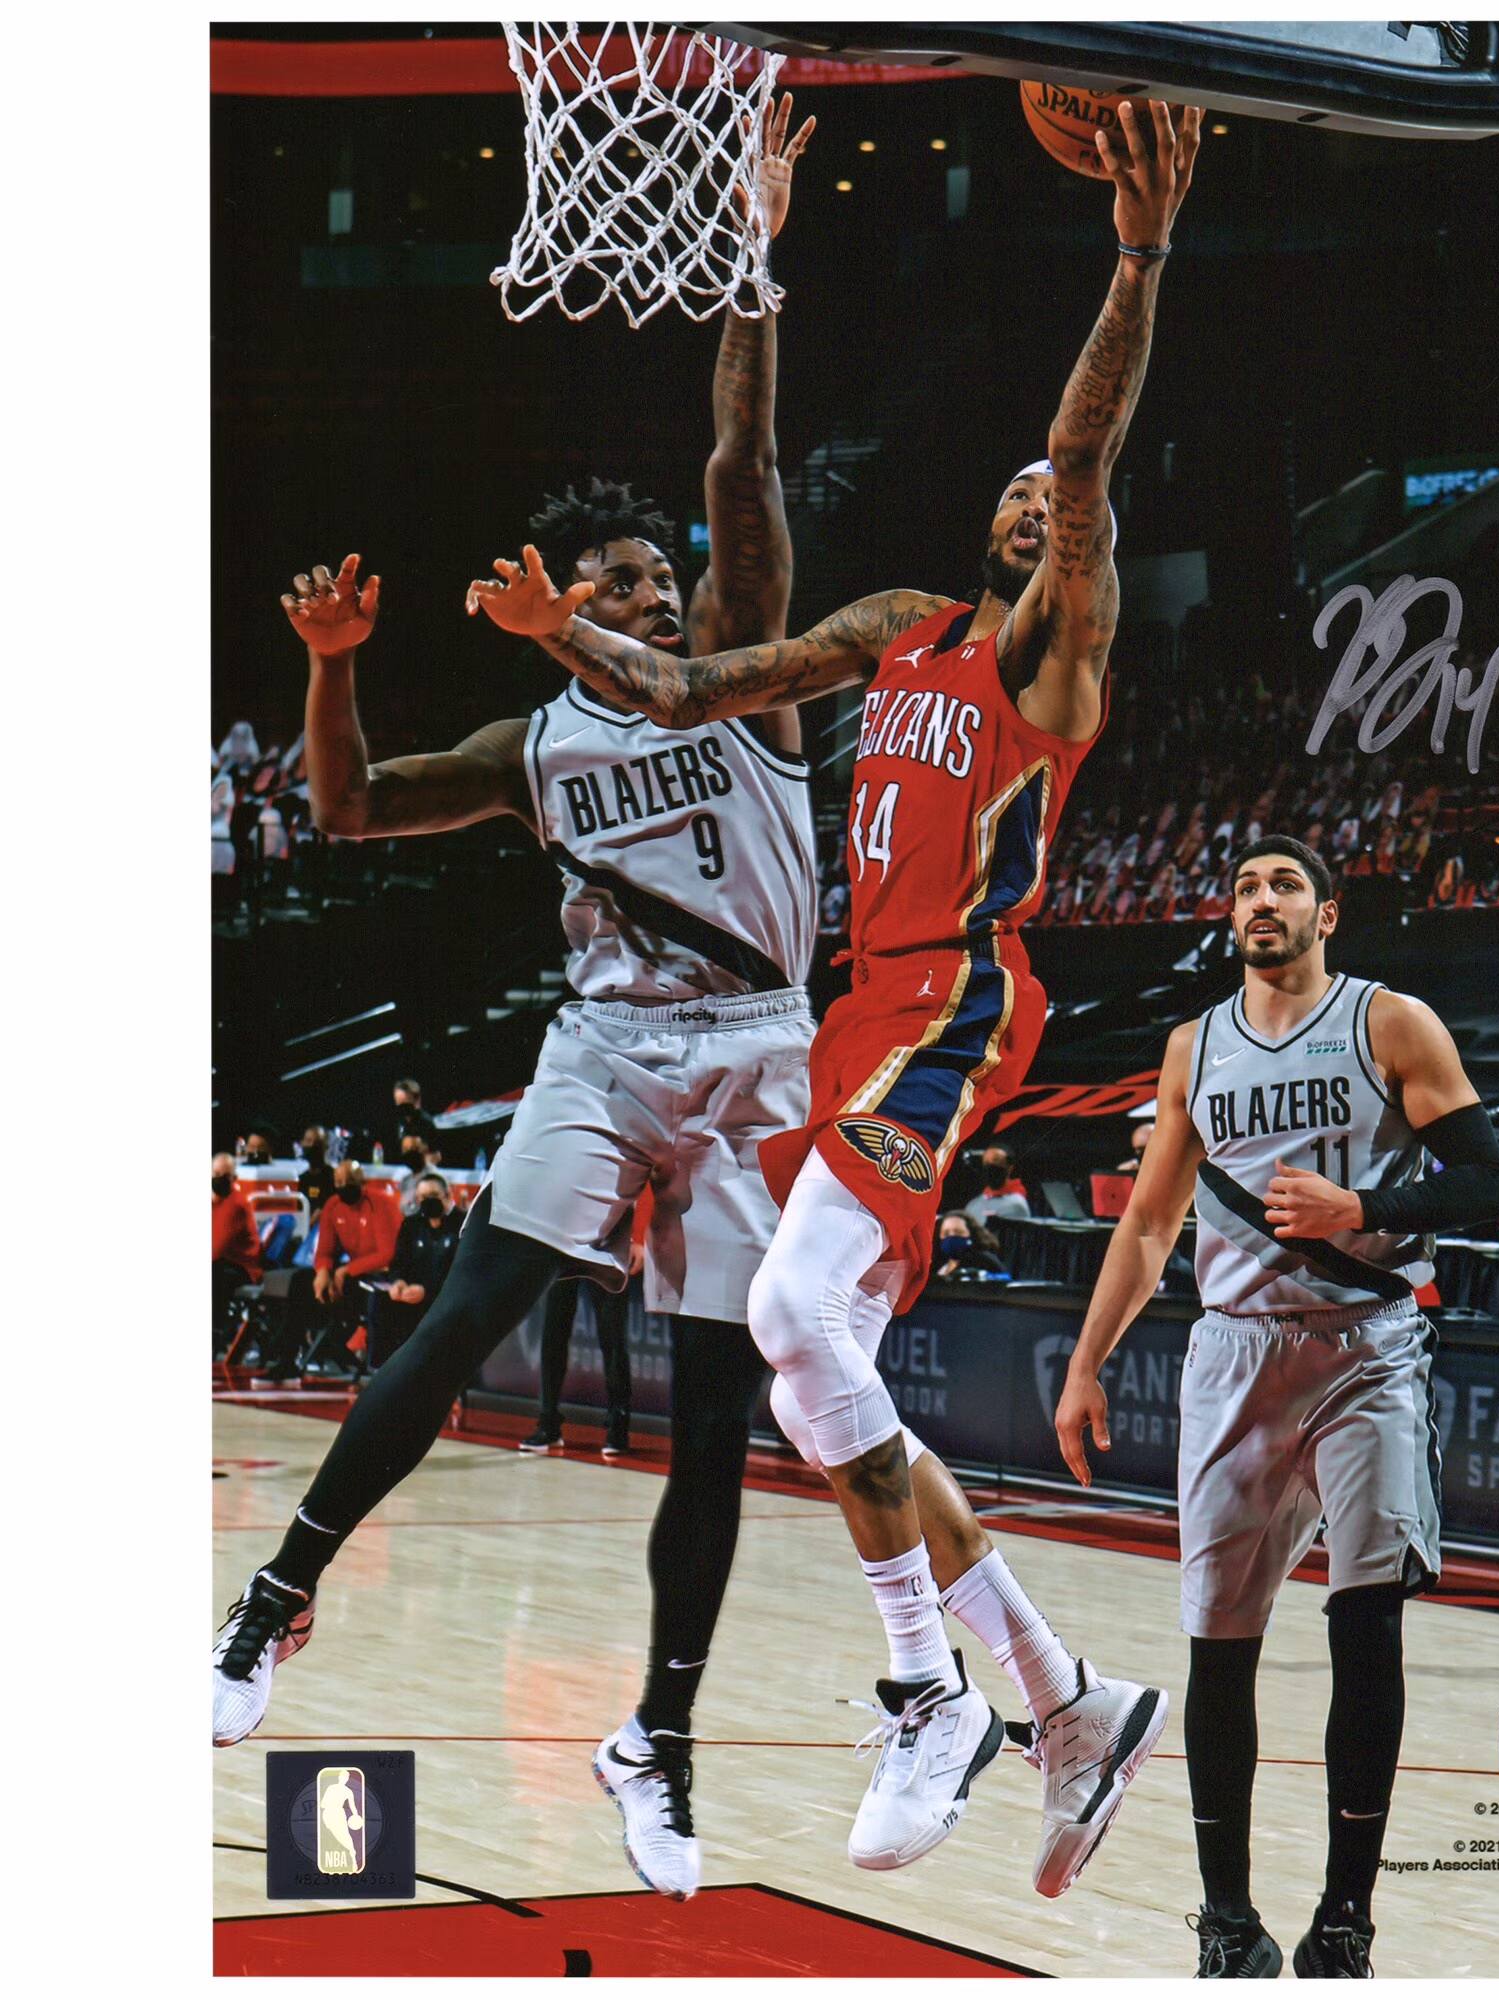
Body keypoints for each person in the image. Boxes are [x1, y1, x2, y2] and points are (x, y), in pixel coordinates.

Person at [469, 98, 1201, 1898]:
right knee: (820, 1382)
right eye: (1014, 493)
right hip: (855, 1013)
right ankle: (1067, 1696)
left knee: (791, 1315)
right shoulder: (897, 629)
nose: (1037, 502)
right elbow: (691, 684)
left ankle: (929, 1694)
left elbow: (1086, 447)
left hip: (957, 1003)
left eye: (1059, 503)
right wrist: (563, 634)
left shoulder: (1051, 658)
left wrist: (1136, 252)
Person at [213, 102, 829, 1909]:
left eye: (658, 578)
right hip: (609, 1047)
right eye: (619, 580)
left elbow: (741, 466)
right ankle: (272, 1597)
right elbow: (347, 807)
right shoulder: (535, 740)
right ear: (563, 598)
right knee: (466, 1314)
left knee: (714, 1416)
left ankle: (663, 1733)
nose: (654, 592)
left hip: (755, 1054)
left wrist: (752, 256)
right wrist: (333, 672)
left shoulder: (747, 679)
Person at [1054, 835, 1499, 1979]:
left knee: (1365, 1621)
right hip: (1233, 1355)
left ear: (1326, 913)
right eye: (1246, 885)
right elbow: (1148, 1221)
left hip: (1365, 1352)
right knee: (1218, 1643)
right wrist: (1084, 1361)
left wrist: (1363, 1203)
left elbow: (1484, 1181)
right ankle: (1226, 1919)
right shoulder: (1192, 1045)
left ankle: (1344, 1917)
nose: (1261, 899)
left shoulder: (1387, 1021)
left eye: (1284, 885)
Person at [522, 1186, 646, 1457]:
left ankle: (618, 1427)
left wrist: (638, 1237)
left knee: (612, 1335)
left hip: (610, 1237)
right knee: (554, 1330)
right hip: (566, 1236)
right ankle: (548, 1422)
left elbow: (645, 1176)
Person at [280, 1160, 403, 1379]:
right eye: (339, 1182)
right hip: (352, 1273)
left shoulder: (381, 1203)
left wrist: (345, 1271)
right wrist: (323, 1272)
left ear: (362, 1181)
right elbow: (324, 1251)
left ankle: (342, 1347)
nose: (344, 1186)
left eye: (350, 1181)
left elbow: (388, 1254)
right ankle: (286, 1360)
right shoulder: (333, 1205)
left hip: (385, 1273)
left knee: (351, 1289)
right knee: (300, 1281)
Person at [370, 1172, 465, 1368]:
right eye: (422, 1197)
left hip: (446, 1297)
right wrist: (398, 1282)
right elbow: (398, 1263)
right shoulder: (411, 1224)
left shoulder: (463, 1224)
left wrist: (427, 1292)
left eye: (434, 1195)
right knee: (379, 1302)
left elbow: (463, 1273)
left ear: (448, 1195)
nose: (428, 1201)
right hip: (411, 1295)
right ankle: (382, 1370)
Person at [213, 1154, 264, 1339]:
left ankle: (217, 1331)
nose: (219, 1178)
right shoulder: (213, 1203)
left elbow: (216, 1248)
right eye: (216, 1174)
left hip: (242, 1268)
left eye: (225, 1175)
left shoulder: (237, 1204)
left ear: (234, 1178)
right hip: (223, 1263)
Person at [930, 1211, 1009, 1284]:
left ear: (972, 1233)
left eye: (958, 1232)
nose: (951, 1236)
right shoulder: (936, 1263)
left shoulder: (986, 1261)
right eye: (946, 1233)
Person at [964, 1144, 1032, 1226]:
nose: (990, 1168)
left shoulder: (1017, 1204)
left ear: (1009, 1168)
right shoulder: (973, 1205)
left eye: (996, 1162)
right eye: (986, 1163)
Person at [295, 1127, 336, 1214]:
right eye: (307, 1141)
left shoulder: (333, 1178)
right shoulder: (301, 1179)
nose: (312, 1145)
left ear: (324, 1146)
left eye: (317, 1143)